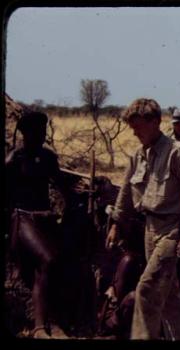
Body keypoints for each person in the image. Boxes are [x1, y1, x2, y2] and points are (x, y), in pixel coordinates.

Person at [105, 98, 180, 340]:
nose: (135, 133)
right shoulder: (138, 156)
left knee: (147, 289)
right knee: (168, 295)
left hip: (171, 230)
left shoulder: (178, 152)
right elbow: (126, 193)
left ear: (156, 122)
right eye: (133, 127)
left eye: (139, 127)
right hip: (149, 230)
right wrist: (116, 225)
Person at [5, 111, 72, 338]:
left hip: (43, 219)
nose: (41, 136)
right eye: (36, 132)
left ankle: (56, 322)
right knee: (47, 259)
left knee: (62, 261)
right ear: (24, 133)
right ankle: (39, 327)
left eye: (43, 132)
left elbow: (63, 185)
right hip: (22, 218)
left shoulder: (48, 158)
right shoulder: (14, 160)